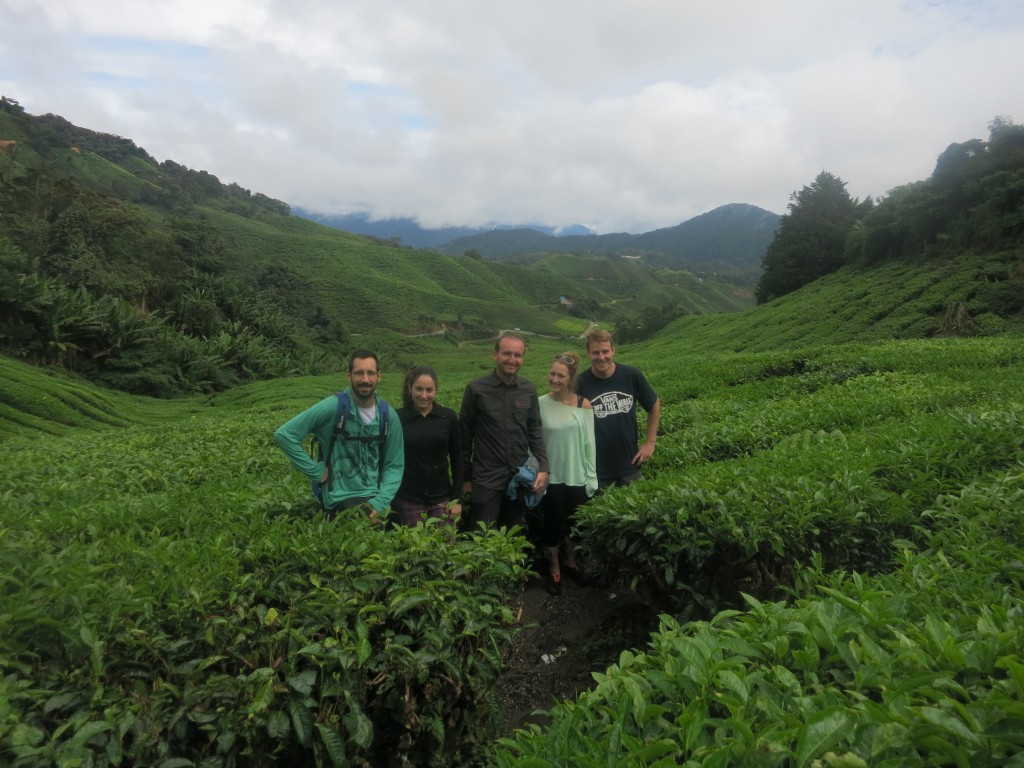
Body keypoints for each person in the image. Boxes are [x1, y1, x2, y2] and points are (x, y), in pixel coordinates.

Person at [274, 349, 404, 522]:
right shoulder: (333, 407)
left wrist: (379, 503)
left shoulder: (388, 415)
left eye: (370, 373)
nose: (365, 379)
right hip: (338, 499)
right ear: (349, 375)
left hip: (375, 499)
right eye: (359, 373)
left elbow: (394, 465)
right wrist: (315, 471)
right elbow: (285, 435)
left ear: (378, 376)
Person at [460, 333, 549, 530]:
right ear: (495, 355)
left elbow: (534, 430)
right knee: (481, 536)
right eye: (507, 354)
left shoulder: (528, 389)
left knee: (512, 536)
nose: (512, 360)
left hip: (518, 477)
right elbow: (464, 436)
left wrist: (543, 467)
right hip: (486, 479)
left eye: (518, 355)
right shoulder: (476, 389)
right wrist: (465, 477)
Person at [538, 351, 597, 595]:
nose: (555, 379)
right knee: (551, 524)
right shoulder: (540, 403)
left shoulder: (583, 403)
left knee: (574, 525)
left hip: (577, 475)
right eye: (552, 373)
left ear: (570, 377)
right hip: (551, 477)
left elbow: (589, 443)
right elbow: (535, 440)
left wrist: (592, 476)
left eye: (560, 375)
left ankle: (571, 561)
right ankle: (554, 567)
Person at [576, 328, 660, 489]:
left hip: (630, 465)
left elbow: (654, 404)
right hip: (594, 470)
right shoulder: (580, 383)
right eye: (596, 353)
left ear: (613, 350)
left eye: (605, 351)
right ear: (588, 354)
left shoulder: (631, 375)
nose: (601, 357)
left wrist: (650, 442)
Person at [393, 365, 463, 527]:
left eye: (429, 390)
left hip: (442, 498)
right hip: (408, 497)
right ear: (410, 389)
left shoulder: (448, 417)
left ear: (436, 390)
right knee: (413, 549)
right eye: (418, 389)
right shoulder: (398, 418)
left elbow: (457, 458)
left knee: (445, 548)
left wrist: (457, 498)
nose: (424, 395)